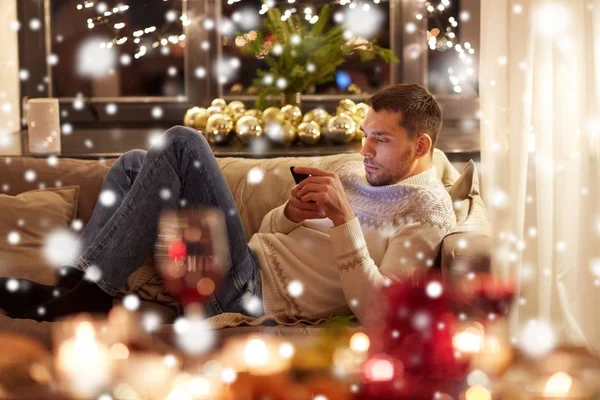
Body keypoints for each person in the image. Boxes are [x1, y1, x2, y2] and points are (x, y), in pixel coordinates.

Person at [0, 83, 456, 326]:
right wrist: (290, 214)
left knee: (182, 142)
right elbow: (275, 231)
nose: (365, 151)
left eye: (380, 140)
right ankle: (74, 283)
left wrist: (344, 221)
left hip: (252, 297)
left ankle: (92, 297)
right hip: (245, 260)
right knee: (133, 164)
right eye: (364, 136)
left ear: (420, 145)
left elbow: (379, 313)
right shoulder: (361, 172)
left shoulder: (427, 215)